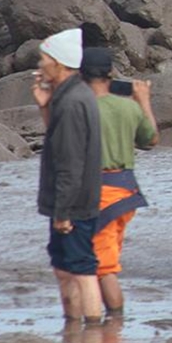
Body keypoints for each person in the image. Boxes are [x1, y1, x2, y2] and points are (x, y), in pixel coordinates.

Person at [79, 48, 158, 317]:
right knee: (108, 257)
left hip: (100, 194)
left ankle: (115, 325)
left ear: (81, 76)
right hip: (127, 192)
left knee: (104, 268)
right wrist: (143, 101)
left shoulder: (79, 108)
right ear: (111, 74)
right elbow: (151, 140)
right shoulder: (128, 107)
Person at [34, 28, 104, 326]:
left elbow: (69, 165)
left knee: (82, 268)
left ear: (60, 65)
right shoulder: (70, 96)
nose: (40, 67)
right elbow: (59, 144)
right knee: (65, 268)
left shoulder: (73, 101)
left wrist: (63, 212)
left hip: (73, 204)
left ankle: (92, 334)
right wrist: (44, 105)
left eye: (43, 61)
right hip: (74, 201)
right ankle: (73, 329)